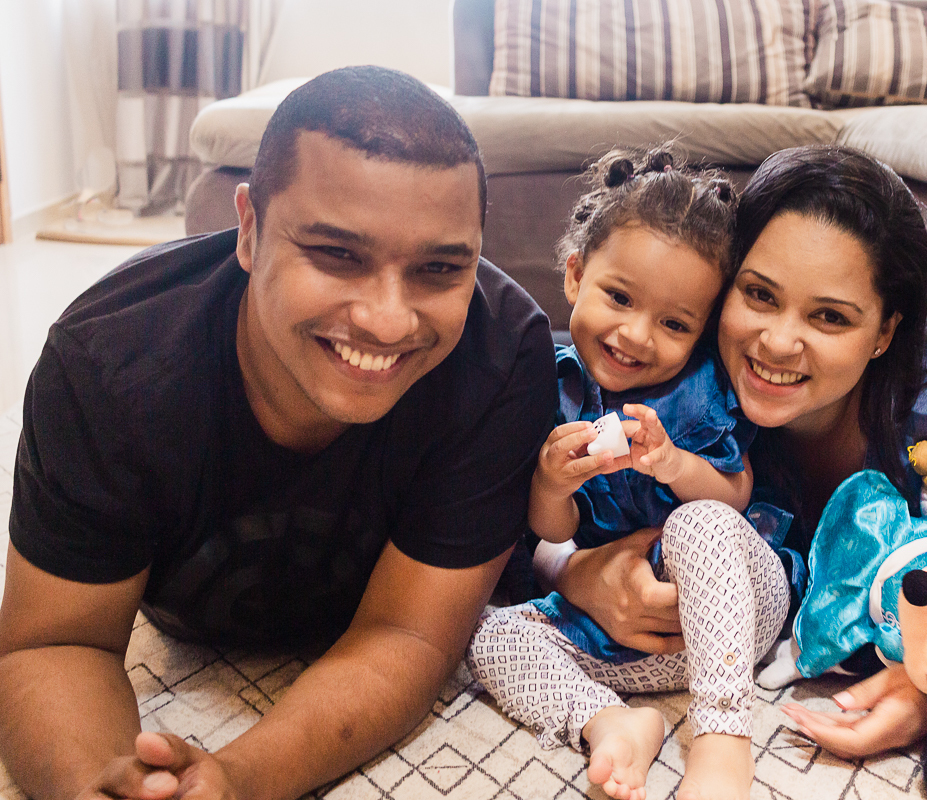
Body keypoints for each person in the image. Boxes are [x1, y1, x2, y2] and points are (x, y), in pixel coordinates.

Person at [0, 67, 556, 800]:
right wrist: (96, 785)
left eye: (439, 268)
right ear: (250, 229)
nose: (389, 320)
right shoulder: (107, 365)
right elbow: (55, 639)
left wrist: (234, 779)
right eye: (337, 255)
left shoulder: (502, 355)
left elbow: (408, 634)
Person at [539, 144, 927, 761]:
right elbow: (530, 524)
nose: (778, 343)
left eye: (831, 317)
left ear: (884, 332)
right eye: (758, 295)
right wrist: (576, 575)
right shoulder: (674, 371)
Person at [467, 147, 791, 800]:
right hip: (617, 637)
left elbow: (738, 494)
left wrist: (674, 464)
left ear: (701, 334)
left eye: (674, 324)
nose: (637, 335)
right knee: (488, 636)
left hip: (731, 616)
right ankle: (609, 721)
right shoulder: (545, 382)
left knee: (701, 521)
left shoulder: (698, 393)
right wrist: (552, 485)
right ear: (575, 276)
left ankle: (723, 736)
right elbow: (552, 537)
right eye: (619, 297)